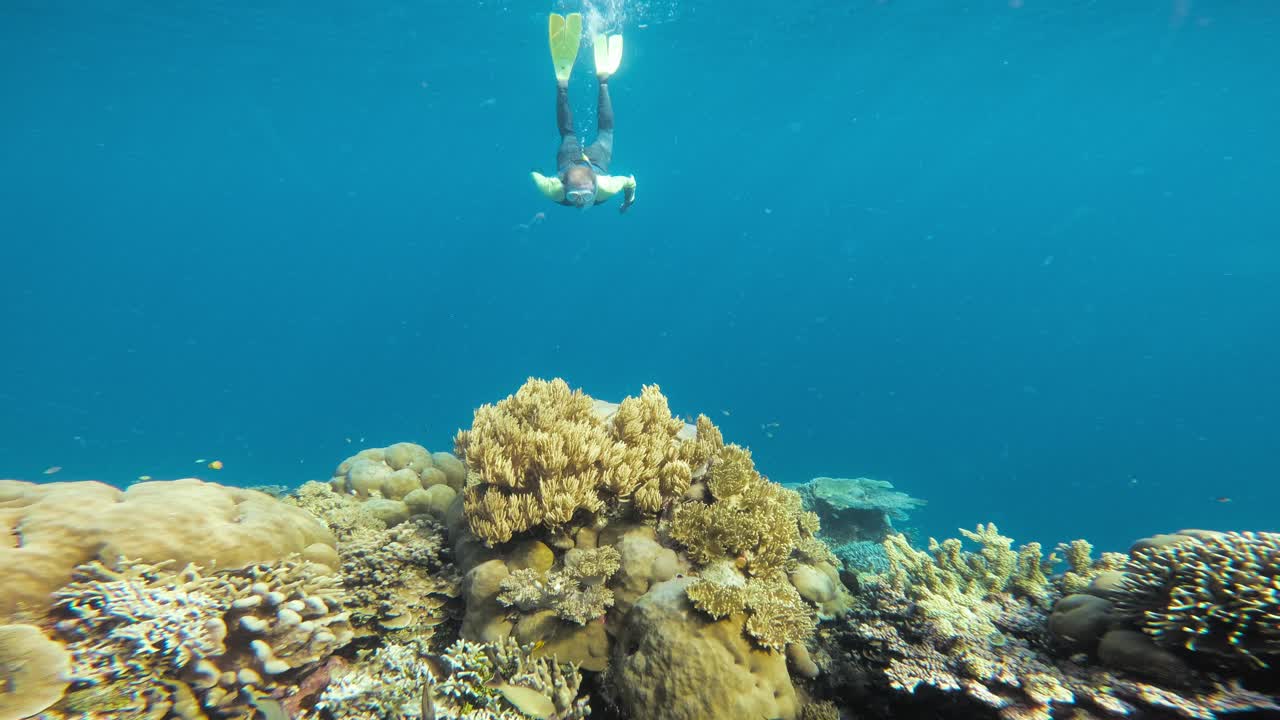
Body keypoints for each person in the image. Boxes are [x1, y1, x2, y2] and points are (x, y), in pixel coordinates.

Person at [531, 13, 637, 213]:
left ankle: (563, 85)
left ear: (596, 185)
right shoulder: (605, 187)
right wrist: (628, 200)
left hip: (575, 161)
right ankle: (602, 82)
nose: (579, 201)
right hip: (592, 161)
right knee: (603, 132)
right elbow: (630, 183)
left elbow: (535, 174)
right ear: (564, 186)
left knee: (570, 133)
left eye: (583, 195)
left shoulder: (554, 190)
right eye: (575, 196)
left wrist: (535, 170)